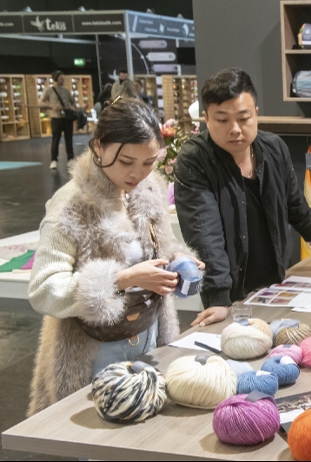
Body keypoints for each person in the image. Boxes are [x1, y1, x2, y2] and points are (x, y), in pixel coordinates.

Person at [27, 98, 203, 416]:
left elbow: (162, 243)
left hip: (150, 337)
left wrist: (179, 261)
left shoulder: (146, 190)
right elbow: (44, 290)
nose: (138, 173)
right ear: (98, 147)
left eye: (149, 162)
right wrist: (122, 279)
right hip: (94, 352)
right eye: (126, 161)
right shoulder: (71, 205)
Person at [174, 68, 311, 327]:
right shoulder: (195, 160)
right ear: (205, 119)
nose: (235, 129)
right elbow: (204, 233)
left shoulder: (274, 148)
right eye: (222, 120)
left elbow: (293, 200)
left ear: (256, 113)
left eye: (244, 117)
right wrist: (219, 297)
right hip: (229, 295)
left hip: (273, 285)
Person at [38, 70, 76, 170]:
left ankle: (70, 158)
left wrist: (72, 107)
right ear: (55, 79)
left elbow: (73, 102)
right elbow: (40, 102)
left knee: (69, 139)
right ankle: (54, 160)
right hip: (56, 118)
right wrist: (51, 106)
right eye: (61, 78)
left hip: (67, 118)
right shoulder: (49, 90)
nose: (63, 80)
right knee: (56, 139)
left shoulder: (66, 91)